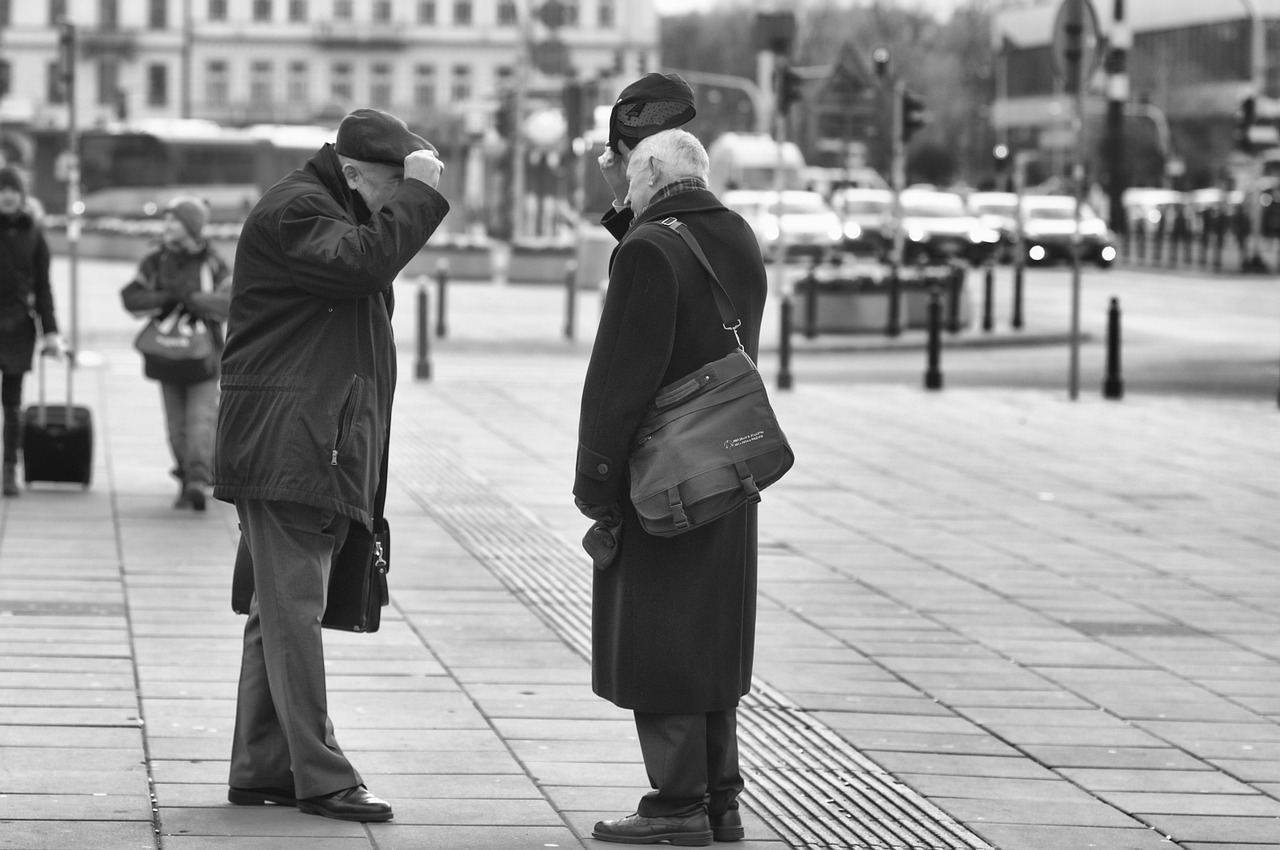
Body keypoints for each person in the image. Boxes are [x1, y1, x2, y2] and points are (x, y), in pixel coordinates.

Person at [215, 108, 448, 823]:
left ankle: (260, 767)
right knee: (293, 616)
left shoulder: (320, 205)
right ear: (352, 173)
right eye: (387, 185)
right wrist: (423, 195)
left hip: (305, 436)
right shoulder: (300, 211)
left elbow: (364, 262)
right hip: (291, 441)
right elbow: (365, 262)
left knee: (275, 613)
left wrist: (405, 191)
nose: (389, 201)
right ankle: (322, 776)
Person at [573, 129, 767, 846]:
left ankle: (676, 804)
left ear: (650, 168)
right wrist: (626, 213)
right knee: (711, 633)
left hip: (661, 476)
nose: (622, 182)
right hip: (729, 458)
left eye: (628, 172)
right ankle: (721, 800)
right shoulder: (736, 236)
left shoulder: (649, 251)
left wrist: (595, 477)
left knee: (663, 635)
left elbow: (619, 379)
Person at [120, 197, 231, 511]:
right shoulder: (155, 261)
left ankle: (197, 479)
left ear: (191, 226)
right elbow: (131, 297)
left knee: (201, 421)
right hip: (167, 356)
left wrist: (196, 300)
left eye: (174, 220)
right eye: (166, 219)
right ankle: (186, 477)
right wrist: (165, 298)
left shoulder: (212, 262)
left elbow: (232, 301)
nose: (167, 225)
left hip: (204, 356)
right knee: (176, 426)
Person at [0, 165, 64, 497]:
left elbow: (43, 288)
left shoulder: (33, 233)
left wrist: (51, 332)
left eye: (13, 189)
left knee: (12, 404)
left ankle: (9, 470)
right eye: (2, 189)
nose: (7, 195)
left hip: (17, 329)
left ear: (22, 195)